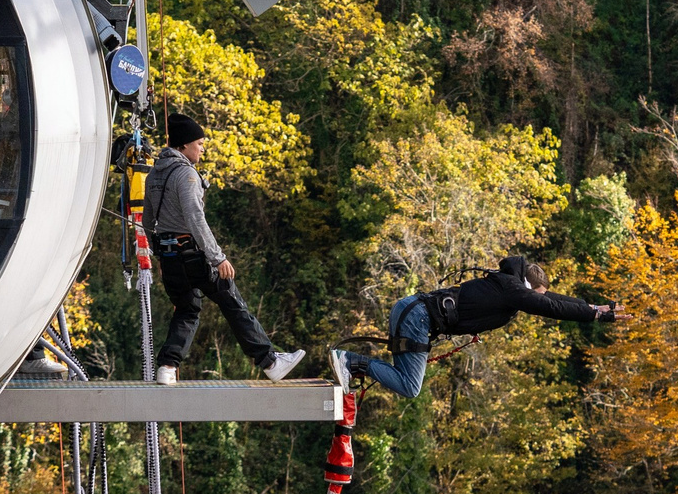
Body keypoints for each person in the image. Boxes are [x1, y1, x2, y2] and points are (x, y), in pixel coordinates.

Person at [146, 112, 304, 385]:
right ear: (183, 145)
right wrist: (218, 258)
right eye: (199, 143)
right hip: (193, 256)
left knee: (186, 309)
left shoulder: (154, 175)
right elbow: (196, 219)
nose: (203, 148)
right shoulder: (186, 174)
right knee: (232, 302)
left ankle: (168, 367)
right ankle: (270, 362)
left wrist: (159, 254)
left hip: (170, 258)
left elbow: (148, 220)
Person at [337, 255, 621, 400]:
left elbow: (551, 300)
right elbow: (550, 307)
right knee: (410, 386)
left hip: (411, 308)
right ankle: (351, 361)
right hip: (418, 318)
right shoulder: (513, 291)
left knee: (404, 379)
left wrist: (595, 308)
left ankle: (352, 365)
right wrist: (595, 317)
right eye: (536, 294)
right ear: (530, 288)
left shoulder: (507, 281)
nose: (536, 300)